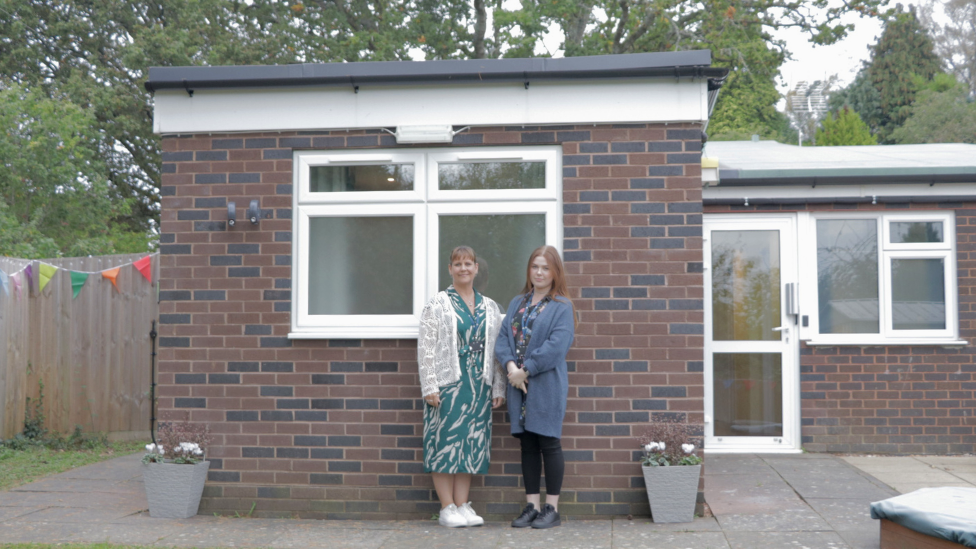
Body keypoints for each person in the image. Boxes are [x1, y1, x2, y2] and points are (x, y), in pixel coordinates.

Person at [418, 246, 506, 528]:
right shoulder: (438, 304)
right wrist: (429, 384)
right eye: (458, 264)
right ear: (450, 269)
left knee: (471, 443)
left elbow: (496, 350)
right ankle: (447, 507)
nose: (464, 268)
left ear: (476, 268)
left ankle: (463, 504)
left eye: (469, 263)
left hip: (478, 385)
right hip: (447, 385)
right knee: (445, 443)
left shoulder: (490, 307)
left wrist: (498, 387)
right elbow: (426, 348)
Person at [495, 245, 576, 529]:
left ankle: (552, 509)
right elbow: (502, 339)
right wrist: (511, 369)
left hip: (546, 385)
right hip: (518, 385)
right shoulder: (518, 302)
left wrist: (526, 370)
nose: (539, 272)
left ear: (555, 272)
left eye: (545, 267)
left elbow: (557, 347)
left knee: (549, 443)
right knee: (527, 445)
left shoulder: (562, 306)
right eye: (535, 267)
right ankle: (532, 506)